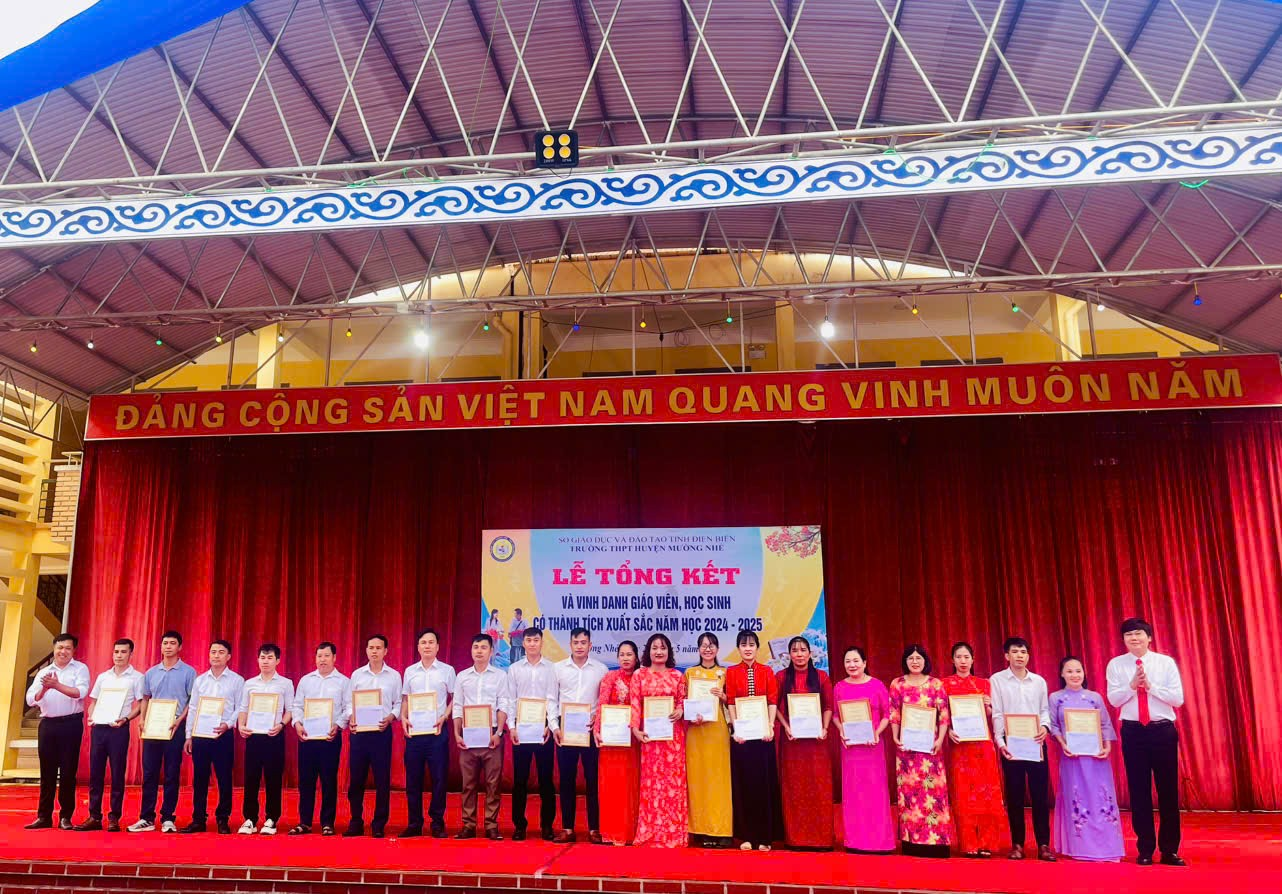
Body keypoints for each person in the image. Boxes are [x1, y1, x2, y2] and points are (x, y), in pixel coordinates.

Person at [1106, 617, 1185, 866]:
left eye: (1139, 633)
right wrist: (1131, 686)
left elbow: (1178, 699)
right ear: (1123, 640)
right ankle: (1145, 849)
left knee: (1168, 791)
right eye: (1129, 635)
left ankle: (1169, 850)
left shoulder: (1165, 663)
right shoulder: (1116, 665)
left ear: (1149, 637)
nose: (1134, 638)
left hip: (1162, 731)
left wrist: (1150, 687)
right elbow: (1114, 700)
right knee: (1139, 792)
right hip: (1133, 732)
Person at [1050, 656, 1124, 862]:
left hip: (1096, 757)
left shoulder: (1094, 698)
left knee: (1100, 799)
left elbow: (1105, 724)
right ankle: (1080, 846)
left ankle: (1107, 847)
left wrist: (1107, 746)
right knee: (1077, 798)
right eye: (1069, 671)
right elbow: (1054, 725)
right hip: (1072, 757)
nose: (1074, 675)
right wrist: (1063, 744)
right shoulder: (1056, 698)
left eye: (1078, 671)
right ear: (1062, 674)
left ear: (1084, 673)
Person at [989, 636, 1054, 862]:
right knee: (1015, 795)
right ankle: (1017, 844)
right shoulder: (997, 680)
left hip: (1036, 742)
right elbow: (997, 712)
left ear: (1028, 656)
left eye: (1023, 652)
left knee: (1040, 796)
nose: (1019, 656)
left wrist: (1045, 727)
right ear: (1007, 655)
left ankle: (1044, 845)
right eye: (1015, 652)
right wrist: (1000, 742)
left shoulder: (1039, 681)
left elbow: (1044, 710)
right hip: (1011, 743)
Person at [942, 641, 1005, 858]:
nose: (963, 661)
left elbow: (991, 715)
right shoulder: (944, 684)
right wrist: (948, 731)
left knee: (986, 793)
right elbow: (941, 715)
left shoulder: (984, 684)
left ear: (973, 659)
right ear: (952, 660)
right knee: (963, 793)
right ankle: (968, 843)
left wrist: (988, 706)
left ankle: (987, 842)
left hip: (982, 744)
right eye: (958, 657)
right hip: (960, 745)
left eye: (966, 657)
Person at [130, 630, 196, 833]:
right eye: (165, 643)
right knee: (149, 773)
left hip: (175, 727)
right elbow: (145, 698)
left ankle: (168, 817)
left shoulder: (188, 672)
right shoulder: (151, 673)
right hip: (153, 728)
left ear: (180, 647)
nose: (168, 646)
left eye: (172, 643)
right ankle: (146, 818)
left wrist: (179, 720)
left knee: (171, 773)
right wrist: (142, 719)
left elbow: (192, 701)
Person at [889, 643, 952, 858]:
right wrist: (895, 737)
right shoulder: (897, 684)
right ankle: (911, 842)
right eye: (910, 658)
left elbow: (943, 715)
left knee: (933, 793)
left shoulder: (936, 684)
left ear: (925, 660)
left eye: (918, 658)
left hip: (930, 747)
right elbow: (894, 713)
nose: (915, 662)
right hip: (906, 748)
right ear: (905, 661)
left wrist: (940, 740)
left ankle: (937, 842)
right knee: (909, 793)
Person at [73, 638, 142, 832]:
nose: (119, 655)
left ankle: (114, 817)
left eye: (123, 652)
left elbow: (140, 704)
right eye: (116, 652)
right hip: (99, 729)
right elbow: (94, 702)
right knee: (96, 773)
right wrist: (91, 716)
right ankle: (94, 816)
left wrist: (126, 719)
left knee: (117, 773)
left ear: (131, 654)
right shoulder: (103, 677)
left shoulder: (137, 677)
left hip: (119, 729)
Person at [832, 646, 894, 854]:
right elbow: (835, 716)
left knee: (875, 791)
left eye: (856, 661)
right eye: (848, 661)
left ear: (865, 663)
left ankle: (880, 842)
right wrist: (841, 730)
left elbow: (887, 714)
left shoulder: (877, 685)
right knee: (854, 792)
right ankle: (855, 841)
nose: (852, 665)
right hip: (851, 747)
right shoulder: (839, 687)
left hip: (873, 745)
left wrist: (877, 732)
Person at [725, 629, 783, 851]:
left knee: (763, 785)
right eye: (743, 645)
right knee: (744, 786)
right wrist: (736, 729)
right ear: (738, 648)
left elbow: (772, 700)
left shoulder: (767, 671)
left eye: (751, 644)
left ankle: (765, 837)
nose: (747, 648)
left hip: (763, 736)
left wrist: (770, 726)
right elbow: (731, 702)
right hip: (742, 738)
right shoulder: (732, 672)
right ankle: (747, 836)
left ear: (757, 648)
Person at [24, 633, 89, 831]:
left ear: (74, 650)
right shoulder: (44, 672)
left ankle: (65, 817)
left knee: (68, 773)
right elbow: (30, 699)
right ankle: (43, 816)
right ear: (54, 649)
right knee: (47, 772)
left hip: (71, 724)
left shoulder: (80, 669)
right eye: (60, 647)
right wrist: (44, 689)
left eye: (68, 648)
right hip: (48, 725)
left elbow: (80, 693)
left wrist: (56, 685)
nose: (63, 651)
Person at [629, 632, 687, 848]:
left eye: (663, 648)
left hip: (673, 739)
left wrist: (680, 710)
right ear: (648, 651)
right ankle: (650, 833)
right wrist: (635, 729)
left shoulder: (677, 676)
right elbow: (635, 703)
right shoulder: (639, 675)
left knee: (673, 784)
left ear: (669, 652)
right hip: (650, 738)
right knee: (652, 785)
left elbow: (683, 701)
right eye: (655, 648)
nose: (659, 652)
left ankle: (674, 834)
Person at [775, 636, 834, 849]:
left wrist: (824, 728)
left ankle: (821, 839)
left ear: (810, 653)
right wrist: (786, 727)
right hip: (792, 742)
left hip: (816, 742)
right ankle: (795, 838)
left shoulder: (821, 676)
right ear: (789, 655)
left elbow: (828, 706)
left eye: (803, 650)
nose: (799, 654)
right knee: (794, 788)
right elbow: (774, 707)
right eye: (795, 650)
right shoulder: (781, 677)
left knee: (818, 786)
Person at [452, 633, 511, 840]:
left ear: (491, 651)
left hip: (491, 736)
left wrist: (499, 732)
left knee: (493, 784)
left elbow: (503, 704)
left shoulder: (500, 676)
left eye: (484, 647)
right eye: (476, 647)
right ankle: (468, 824)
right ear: (471, 650)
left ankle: (491, 825)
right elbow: (457, 705)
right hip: (468, 735)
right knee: (468, 784)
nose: (479, 651)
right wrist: (457, 733)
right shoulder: (462, 676)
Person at [181, 639, 244, 834]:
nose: (216, 655)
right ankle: (198, 819)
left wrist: (228, 724)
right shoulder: (200, 680)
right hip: (200, 734)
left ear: (229, 656)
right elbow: (193, 708)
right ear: (208, 655)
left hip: (222, 735)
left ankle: (223, 819)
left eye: (221, 652)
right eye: (213, 652)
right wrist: (189, 735)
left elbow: (240, 707)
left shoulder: (237, 680)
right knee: (200, 778)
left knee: (224, 778)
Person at [553, 626, 609, 844]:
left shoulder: (601, 669)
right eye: (575, 643)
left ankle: (595, 828)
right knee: (566, 780)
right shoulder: (558, 668)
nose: (579, 646)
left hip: (589, 731)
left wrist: (598, 719)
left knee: (592, 780)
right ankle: (567, 828)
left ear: (590, 645)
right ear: (570, 644)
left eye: (583, 643)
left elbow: (604, 700)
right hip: (565, 730)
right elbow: (551, 699)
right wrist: (554, 726)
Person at [290, 642, 351, 836]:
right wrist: (297, 723)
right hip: (307, 738)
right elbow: (297, 706)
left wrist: (338, 725)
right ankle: (305, 822)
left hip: (329, 738)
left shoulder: (343, 682)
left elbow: (348, 708)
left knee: (328, 781)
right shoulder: (306, 680)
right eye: (319, 656)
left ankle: (327, 822)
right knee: (306, 782)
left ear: (334, 658)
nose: (322, 660)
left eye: (326, 656)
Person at [401, 627, 455, 838]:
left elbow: (455, 699)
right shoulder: (410, 671)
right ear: (418, 647)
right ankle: (414, 822)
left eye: (431, 642)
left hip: (437, 732)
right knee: (413, 779)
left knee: (439, 779)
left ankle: (437, 822)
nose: (427, 646)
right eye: (423, 642)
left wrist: (445, 716)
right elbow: (406, 699)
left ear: (438, 647)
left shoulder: (447, 671)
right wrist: (403, 717)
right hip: (414, 733)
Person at [346, 634, 401, 838]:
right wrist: (351, 717)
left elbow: (398, 703)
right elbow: (349, 702)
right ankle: (356, 821)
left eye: (378, 648)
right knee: (356, 779)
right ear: (366, 650)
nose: (374, 651)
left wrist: (390, 717)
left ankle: (379, 824)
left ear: (385, 651)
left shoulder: (394, 676)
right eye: (371, 647)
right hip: (359, 733)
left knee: (382, 779)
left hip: (381, 732)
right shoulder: (357, 675)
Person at [507, 627, 559, 842]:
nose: (532, 644)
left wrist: (551, 725)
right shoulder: (514, 669)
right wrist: (511, 727)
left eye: (536, 640)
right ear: (523, 643)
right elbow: (511, 700)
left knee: (546, 780)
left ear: (541, 642)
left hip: (543, 730)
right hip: (521, 730)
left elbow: (553, 699)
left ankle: (547, 826)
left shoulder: (552, 668)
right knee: (520, 780)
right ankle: (519, 826)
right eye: (528, 640)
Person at [236, 643, 293, 835]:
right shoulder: (249, 683)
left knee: (273, 778)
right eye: (262, 657)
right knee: (251, 778)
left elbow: (290, 710)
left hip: (274, 735)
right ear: (257, 659)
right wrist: (241, 725)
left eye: (269, 658)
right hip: (253, 736)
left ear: (277, 660)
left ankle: (271, 818)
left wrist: (281, 725)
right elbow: (243, 708)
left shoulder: (285, 683)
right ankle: (250, 819)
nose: (265, 661)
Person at [684, 632, 732, 848]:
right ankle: (700, 830)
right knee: (698, 779)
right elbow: (684, 701)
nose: (707, 649)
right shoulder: (689, 673)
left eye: (711, 645)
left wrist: (724, 697)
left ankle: (722, 830)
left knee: (719, 780)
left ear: (717, 649)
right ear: (698, 649)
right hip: (696, 731)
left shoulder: (725, 673)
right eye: (703, 645)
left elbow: (734, 703)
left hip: (717, 730)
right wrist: (691, 715)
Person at [595, 640, 641, 846]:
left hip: (633, 741)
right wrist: (597, 730)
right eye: (622, 654)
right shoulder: (610, 677)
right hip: (611, 740)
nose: (625, 658)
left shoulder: (641, 677)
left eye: (629, 654)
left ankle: (630, 832)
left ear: (636, 657)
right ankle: (611, 832)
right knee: (612, 784)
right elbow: (602, 704)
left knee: (630, 784)